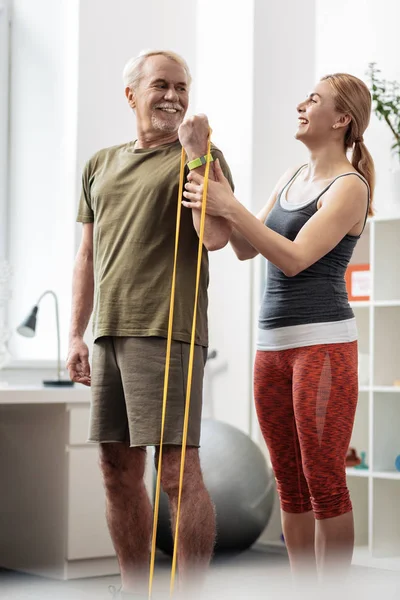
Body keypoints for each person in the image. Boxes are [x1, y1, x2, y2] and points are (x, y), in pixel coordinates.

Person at [182, 73, 374, 583]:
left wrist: (230, 207)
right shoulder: (290, 178)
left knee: (324, 480)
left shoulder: (350, 187)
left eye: (314, 99)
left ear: (341, 120)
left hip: (323, 346)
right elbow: (246, 246)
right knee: (289, 482)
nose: (300, 104)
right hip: (272, 348)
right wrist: (210, 174)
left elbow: (293, 258)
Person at [66, 49, 234, 598]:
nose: (174, 96)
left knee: (178, 475)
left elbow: (215, 238)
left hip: (168, 333)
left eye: (182, 86)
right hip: (108, 333)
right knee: (116, 473)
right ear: (132, 93)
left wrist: (196, 154)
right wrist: (75, 333)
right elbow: (87, 256)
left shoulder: (200, 156)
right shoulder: (99, 164)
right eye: (161, 84)